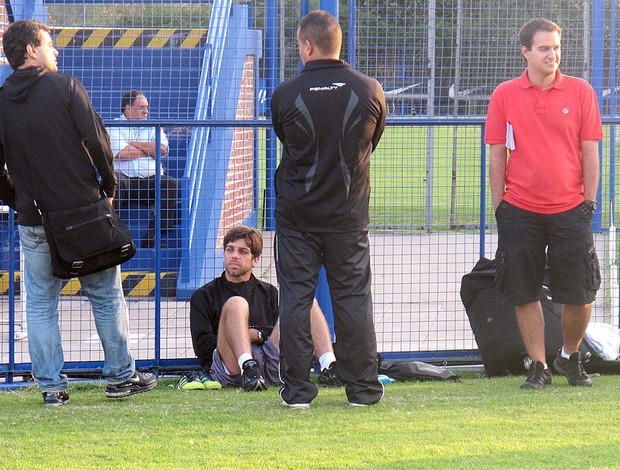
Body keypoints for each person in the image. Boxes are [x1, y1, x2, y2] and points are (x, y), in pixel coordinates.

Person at [0, 20, 156, 405]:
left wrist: (16, 198)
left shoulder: (1, 100)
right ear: (31, 50)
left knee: (39, 302)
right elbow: (98, 140)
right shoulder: (65, 86)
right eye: (50, 45)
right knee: (104, 294)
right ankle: (122, 376)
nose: (56, 52)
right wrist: (108, 187)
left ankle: (51, 387)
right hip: (84, 212)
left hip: (34, 219)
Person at [270, 10, 386, 408]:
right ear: (338, 44)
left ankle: (299, 391)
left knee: (296, 299)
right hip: (348, 216)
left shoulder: (285, 93)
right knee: (353, 299)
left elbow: (286, 139)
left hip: (297, 217)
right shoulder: (370, 89)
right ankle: (364, 390)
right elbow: (369, 145)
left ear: (306, 45)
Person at [485, 18, 603, 389]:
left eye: (556, 47)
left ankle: (569, 356)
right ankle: (538, 365)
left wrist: (589, 202)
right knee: (524, 290)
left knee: (580, 292)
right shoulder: (504, 94)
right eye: (544, 48)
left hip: (572, 209)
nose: (552, 55)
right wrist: (500, 206)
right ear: (525, 52)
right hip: (520, 209)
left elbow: (590, 152)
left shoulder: (582, 92)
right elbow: (496, 154)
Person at [187, 226, 340, 398]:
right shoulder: (204, 295)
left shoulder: (269, 292)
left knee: (306, 302)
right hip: (231, 366)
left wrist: (258, 334)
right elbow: (203, 348)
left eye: (243, 252)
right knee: (236, 304)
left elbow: (285, 331)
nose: (234, 256)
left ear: (255, 260)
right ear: (224, 254)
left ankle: (330, 367)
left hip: (269, 362)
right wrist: (240, 336)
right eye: (229, 250)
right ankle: (248, 367)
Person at [107, 90, 179, 248]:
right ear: (127, 108)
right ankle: (114, 237)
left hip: (150, 181)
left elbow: (162, 150)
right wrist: (148, 150)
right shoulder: (114, 127)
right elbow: (122, 153)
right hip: (125, 181)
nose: (146, 111)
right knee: (113, 183)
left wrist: (134, 143)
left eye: (147, 107)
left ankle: (154, 235)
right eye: (141, 107)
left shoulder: (154, 127)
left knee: (170, 184)